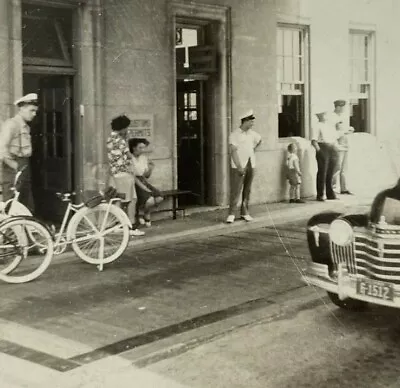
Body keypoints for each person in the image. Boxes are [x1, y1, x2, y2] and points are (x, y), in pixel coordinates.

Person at [106, 115, 144, 236]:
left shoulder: (110, 139)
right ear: (122, 127)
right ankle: (131, 225)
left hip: (115, 173)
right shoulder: (120, 140)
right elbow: (128, 156)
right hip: (124, 173)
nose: (127, 130)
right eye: (126, 127)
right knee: (132, 199)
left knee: (119, 200)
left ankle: (117, 223)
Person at [0, 93, 38, 213]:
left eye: (35, 111)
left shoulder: (26, 127)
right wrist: (14, 166)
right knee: (12, 203)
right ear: (22, 108)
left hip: (24, 165)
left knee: (26, 202)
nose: (34, 114)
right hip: (13, 167)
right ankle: (11, 230)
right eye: (32, 110)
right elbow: (2, 149)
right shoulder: (11, 125)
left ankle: (28, 230)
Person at [226, 110, 262, 224]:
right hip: (239, 165)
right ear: (245, 121)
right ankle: (231, 213)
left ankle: (245, 212)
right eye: (251, 122)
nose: (252, 124)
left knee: (247, 189)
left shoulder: (252, 134)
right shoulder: (234, 135)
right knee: (236, 190)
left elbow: (259, 140)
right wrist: (239, 166)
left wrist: (253, 151)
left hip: (251, 163)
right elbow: (233, 151)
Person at [311, 111, 349, 202]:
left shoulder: (329, 125)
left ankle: (330, 194)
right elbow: (314, 141)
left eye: (325, 114)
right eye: (323, 114)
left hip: (332, 146)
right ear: (319, 116)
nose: (325, 116)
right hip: (323, 147)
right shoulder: (317, 126)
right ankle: (320, 195)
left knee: (332, 171)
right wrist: (319, 151)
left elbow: (335, 136)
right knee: (322, 172)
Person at [128, 138, 163, 227]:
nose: (143, 150)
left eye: (144, 148)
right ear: (134, 148)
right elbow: (133, 176)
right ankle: (144, 214)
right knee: (150, 201)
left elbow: (146, 176)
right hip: (134, 182)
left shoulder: (144, 158)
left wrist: (151, 168)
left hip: (143, 180)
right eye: (140, 148)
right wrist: (145, 188)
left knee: (159, 197)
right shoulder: (130, 158)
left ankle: (143, 212)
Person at [330, 100, 354, 195]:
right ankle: (332, 188)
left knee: (344, 168)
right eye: (342, 107)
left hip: (345, 143)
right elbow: (332, 133)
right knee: (337, 167)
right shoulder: (332, 117)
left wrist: (348, 129)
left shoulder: (342, 117)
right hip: (338, 144)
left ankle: (344, 188)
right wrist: (344, 132)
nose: (344, 109)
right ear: (338, 107)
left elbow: (342, 129)